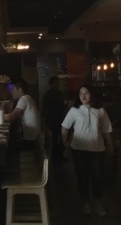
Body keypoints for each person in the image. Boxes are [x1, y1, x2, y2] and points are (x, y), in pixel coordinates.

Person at [61, 84, 113, 217]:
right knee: (82, 177)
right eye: (81, 93)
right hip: (79, 150)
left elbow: (106, 130)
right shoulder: (74, 111)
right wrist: (65, 142)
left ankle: (98, 202)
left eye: (86, 93)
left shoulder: (100, 111)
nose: (83, 95)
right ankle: (85, 203)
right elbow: (65, 127)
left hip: (97, 149)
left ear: (92, 94)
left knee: (98, 176)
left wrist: (110, 145)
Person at [0, 79, 41, 151]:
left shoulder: (24, 99)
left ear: (20, 89)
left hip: (30, 142)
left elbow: (12, 117)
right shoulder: (28, 98)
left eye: (13, 90)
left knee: (5, 148)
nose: (11, 92)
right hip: (33, 140)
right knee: (10, 142)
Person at [41, 76, 66, 161]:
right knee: (54, 139)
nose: (58, 84)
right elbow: (45, 108)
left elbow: (62, 105)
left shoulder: (59, 93)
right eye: (56, 83)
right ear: (51, 84)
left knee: (62, 137)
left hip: (60, 118)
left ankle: (60, 155)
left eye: (58, 83)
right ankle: (55, 156)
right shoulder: (48, 94)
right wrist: (43, 119)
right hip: (52, 119)